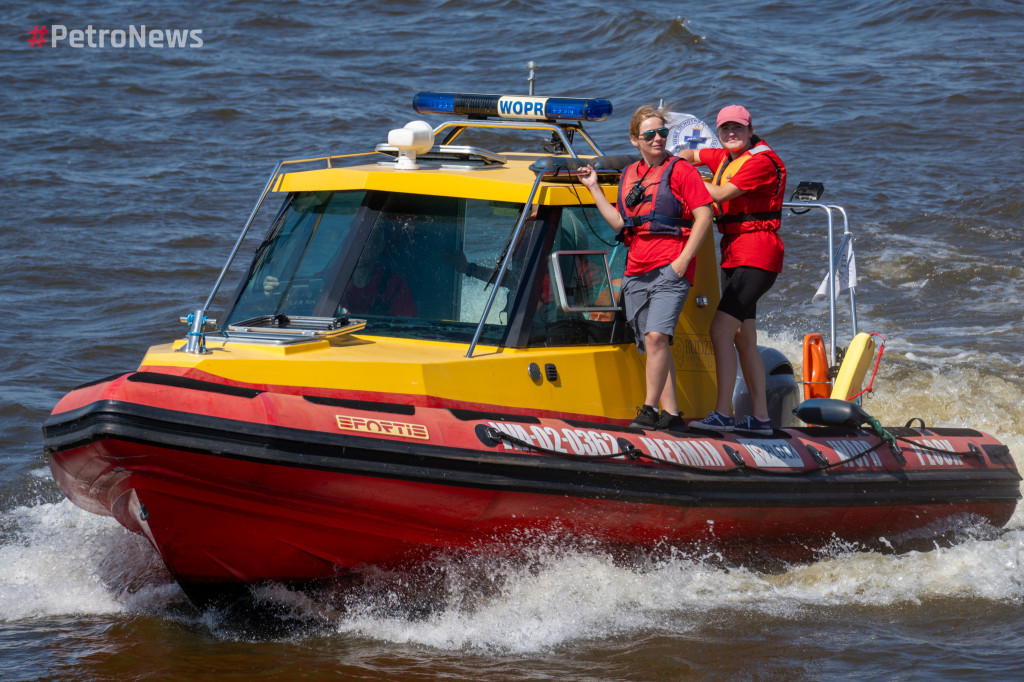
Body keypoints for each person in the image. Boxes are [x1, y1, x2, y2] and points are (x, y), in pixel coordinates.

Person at [578, 104, 713, 431]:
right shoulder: (629, 175)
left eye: (662, 133)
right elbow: (620, 224)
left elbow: (705, 215)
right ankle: (673, 415)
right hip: (636, 269)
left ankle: (649, 410)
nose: (657, 138)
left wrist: (682, 262)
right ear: (634, 140)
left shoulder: (682, 171)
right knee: (655, 345)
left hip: (670, 269)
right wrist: (594, 187)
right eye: (649, 134)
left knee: (656, 337)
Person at [677, 105, 786, 435]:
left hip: (757, 254)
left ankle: (722, 414)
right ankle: (762, 420)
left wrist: (685, 177)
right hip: (735, 254)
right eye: (725, 129)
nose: (731, 133)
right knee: (743, 338)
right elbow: (689, 153)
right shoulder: (724, 156)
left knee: (720, 331)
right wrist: (675, 158)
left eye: (737, 128)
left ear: (751, 130)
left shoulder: (762, 162)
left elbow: (722, 193)